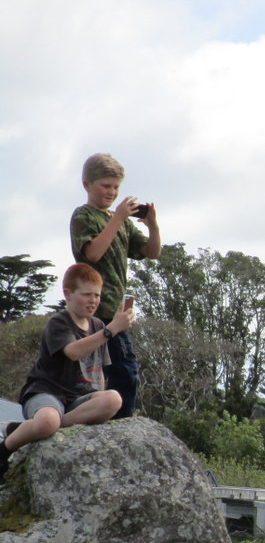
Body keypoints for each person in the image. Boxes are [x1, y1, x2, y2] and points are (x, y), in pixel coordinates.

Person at [0, 264, 131, 479]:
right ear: (68, 294)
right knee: (48, 421)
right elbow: (73, 352)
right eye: (87, 294)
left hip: (77, 400)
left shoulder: (98, 325)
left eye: (97, 295)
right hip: (46, 393)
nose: (93, 300)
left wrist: (98, 401)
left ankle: (26, 429)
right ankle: (5, 448)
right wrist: (112, 329)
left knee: (113, 399)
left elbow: (98, 369)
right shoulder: (59, 322)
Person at [69, 152, 161, 418]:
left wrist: (152, 226)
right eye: (105, 186)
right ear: (87, 184)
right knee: (115, 372)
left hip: (116, 312)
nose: (111, 192)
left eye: (115, 187)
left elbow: (151, 252)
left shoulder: (119, 222)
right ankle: (117, 424)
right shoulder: (84, 216)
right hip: (94, 311)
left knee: (123, 371)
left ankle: (116, 422)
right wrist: (117, 218)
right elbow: (93, 253)